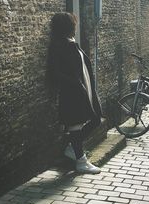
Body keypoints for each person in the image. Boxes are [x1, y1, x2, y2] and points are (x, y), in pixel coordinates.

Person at [46, 12, 102, 174]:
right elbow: (54, 72)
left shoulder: (71, 43)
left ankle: (72, 148)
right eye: (73, 23)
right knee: (75, 125)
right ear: (67, 26)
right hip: (73, 92)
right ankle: (81, 161)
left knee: (96, 118)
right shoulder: (58, 45)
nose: (75, 26)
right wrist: (75, 84)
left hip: (86, 89)